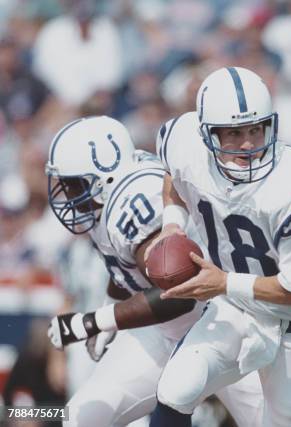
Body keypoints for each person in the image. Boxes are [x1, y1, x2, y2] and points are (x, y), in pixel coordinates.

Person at [147, 67, 291, 427]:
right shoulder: (185, 141)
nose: (249, 143)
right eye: (234, 133)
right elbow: (172, 173)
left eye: (256, 129)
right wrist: (171, 225)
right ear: (208, 134)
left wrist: (223, 283)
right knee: (176, 389)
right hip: (235, 307)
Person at [44, 116, 263, 426]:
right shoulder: (109, 201)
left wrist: (93, 321)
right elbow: (127, 266)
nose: (66, 194)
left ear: (103, 175)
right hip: (166, 328)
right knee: (81, 419)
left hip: (225, 325)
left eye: (73, 184)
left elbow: (181, 292)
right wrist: (110, 312)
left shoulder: (133, 202)